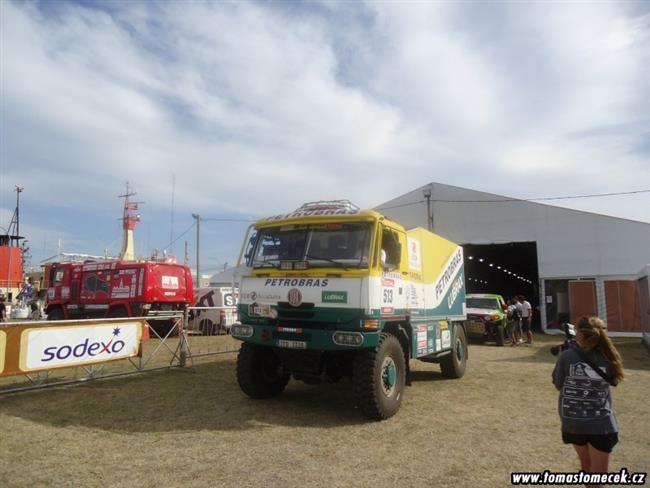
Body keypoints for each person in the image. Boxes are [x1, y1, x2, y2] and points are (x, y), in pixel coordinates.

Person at [552, 316, 624, 484]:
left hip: (573, 422)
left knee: (586, 466)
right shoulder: (610, 356)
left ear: (580, 334)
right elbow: (615, 380)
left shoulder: (567, 355)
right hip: (601, 424)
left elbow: (558, 384)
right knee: (599, 477)